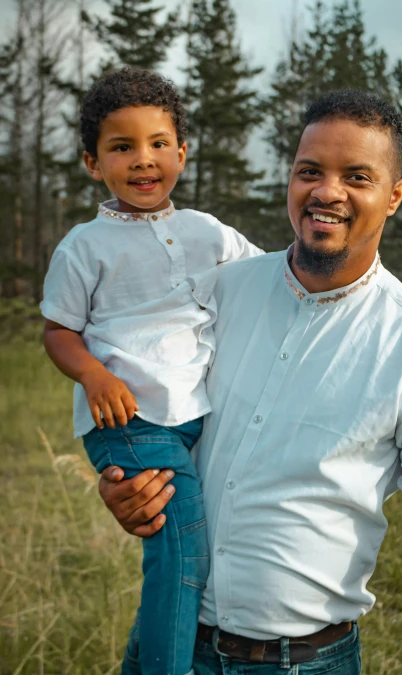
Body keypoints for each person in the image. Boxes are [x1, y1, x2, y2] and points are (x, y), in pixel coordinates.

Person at [99, 88, 402, 675]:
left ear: (394, 197)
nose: (327, 192)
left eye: (357, 176)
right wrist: (127, 486)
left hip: (304, 662)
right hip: (168, 642)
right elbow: (149, 398)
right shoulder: (219, 292)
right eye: (311, 171)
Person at [40, 67, 262, 675]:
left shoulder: (206, 231)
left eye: (159, 144)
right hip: (130, 416)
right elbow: (57, 330)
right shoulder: (84, 246)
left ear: (182, 153)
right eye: (122, 147)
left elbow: (271, 273)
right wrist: (93, 375)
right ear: (93, 163)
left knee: (185, 551)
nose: (144, 161)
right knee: (183, 553)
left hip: (193, 414)